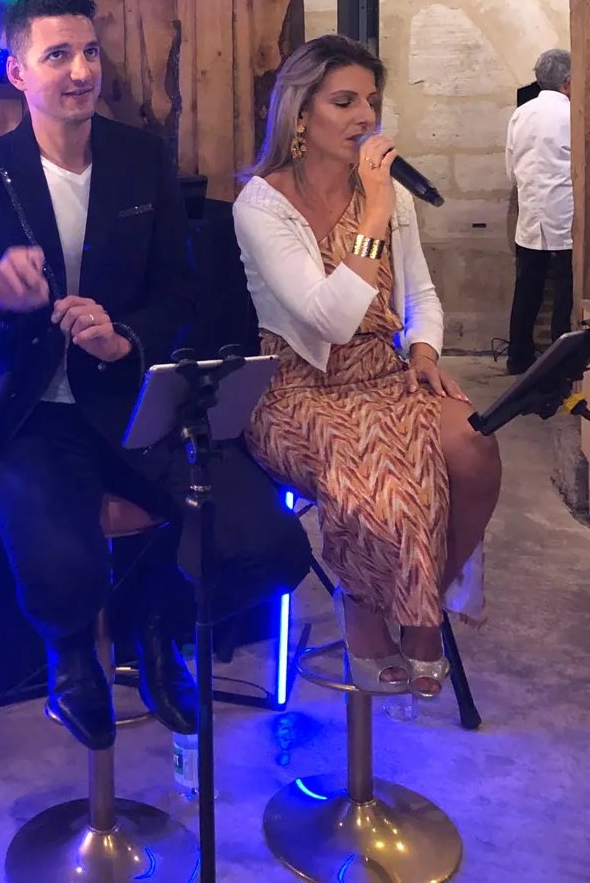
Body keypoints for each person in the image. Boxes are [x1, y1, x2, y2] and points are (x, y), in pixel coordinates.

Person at [0, 0, 310, 751]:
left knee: (273, 550)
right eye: (58, 55)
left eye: (89, 52)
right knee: (60, 573)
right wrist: (1, 304)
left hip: (138, 400)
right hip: (34, 416)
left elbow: (180, 291)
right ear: (17, 71)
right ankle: (71, 651)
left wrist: (125, 340)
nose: (81, 71)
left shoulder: (143, 161)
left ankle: (156, 625)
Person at [234, 34, 501, 699]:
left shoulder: (388, 195)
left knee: (473, 447)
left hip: (384, 371)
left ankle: (419, 605)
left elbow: (421, 296)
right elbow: (329, 321)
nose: (364, 117)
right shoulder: (262, 205)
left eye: (371, 102)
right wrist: (374, 215)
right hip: (299, 383)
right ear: (301, 114)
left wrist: (424, 351)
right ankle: (365, 606)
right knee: (378, 474)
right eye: (344, 101)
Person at [505, 48, 573, 375]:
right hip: (566, 214)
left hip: (530, 214)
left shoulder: (521, 114)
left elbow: (510, 168)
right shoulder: (572, 114)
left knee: (527, 288)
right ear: (568, 82)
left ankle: (518, 357)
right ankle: (561, 364)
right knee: (566, 293)